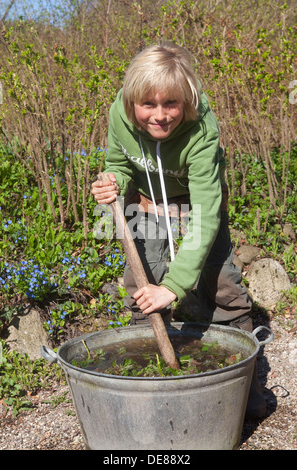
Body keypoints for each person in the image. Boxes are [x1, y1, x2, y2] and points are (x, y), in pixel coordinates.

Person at [91, 42, 265, 419]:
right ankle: (150, 387)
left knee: (223, 286)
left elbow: (204, 215)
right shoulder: (118, 112)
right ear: (131, 100)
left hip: (197, 205)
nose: (160, 116)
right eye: (148, 105)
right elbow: (117, 163)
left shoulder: (202, 128)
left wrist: (174, 287)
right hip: (146, 203)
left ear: (186, 100)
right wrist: (112, 181)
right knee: (143, 289)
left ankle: (245, 393)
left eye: (171, 104)